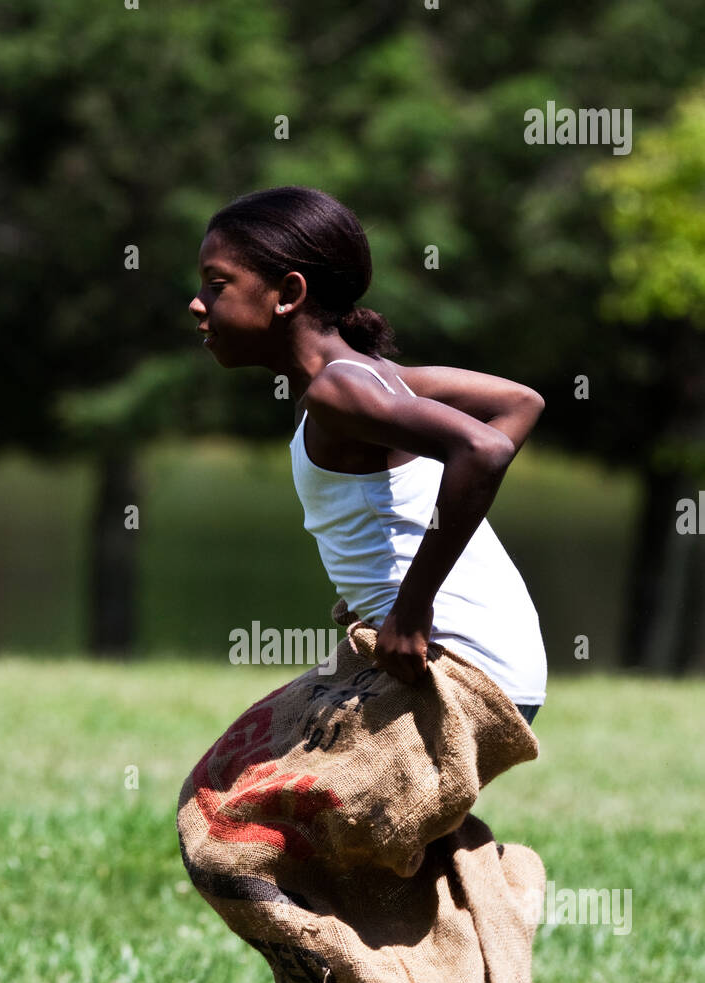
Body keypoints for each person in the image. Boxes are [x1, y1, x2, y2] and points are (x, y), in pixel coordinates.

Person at [188, 185, 546, 727]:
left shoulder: (341, 390)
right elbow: (520, 402)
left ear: (288, 293)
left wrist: (410, 605)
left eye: (217, 285)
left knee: (248, 806)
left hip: (460, 663)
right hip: (487, 657)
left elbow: (485, 447)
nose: (198, 303)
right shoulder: (373, 379)